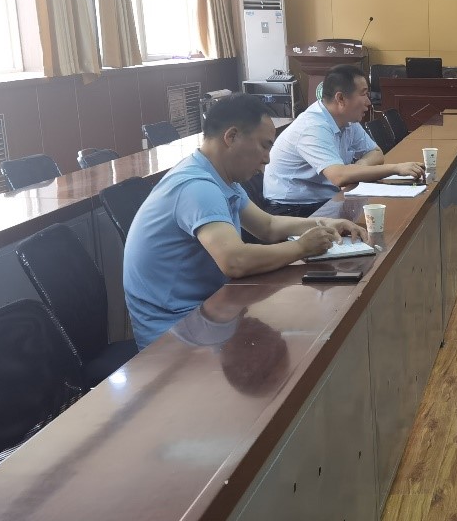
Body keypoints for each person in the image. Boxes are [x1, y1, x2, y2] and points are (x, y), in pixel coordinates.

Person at [124, 93, 368, 350]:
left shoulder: (219, 177)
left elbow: (267, 226)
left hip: (208, 312)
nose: (267, 159)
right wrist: (301, 247)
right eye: (264, 145)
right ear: (231, 137)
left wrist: (324, 224)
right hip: (174, 333)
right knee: (305, 340)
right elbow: (235, 261)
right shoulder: (197, 187)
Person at [264, 64, 424, 216]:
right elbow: (339, 176)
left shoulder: (346, 120)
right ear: (340, 98)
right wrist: (396, 168)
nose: (369, 102)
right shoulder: (312, 127)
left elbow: (376, 153)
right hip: (294, 209)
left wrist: (356, 169)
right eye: (363, 94)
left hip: (328, 199)